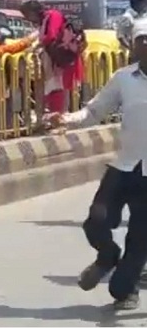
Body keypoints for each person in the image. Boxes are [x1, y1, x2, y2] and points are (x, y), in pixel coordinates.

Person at [45, 23, 147, 310]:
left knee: (139, 240)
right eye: (142, 39)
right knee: (96, 220)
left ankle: (124, 288)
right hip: (126, 165)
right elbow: (94, 111)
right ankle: (107, 256)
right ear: (133, 45)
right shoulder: (124, 79)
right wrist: (65, 120)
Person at [20, 0, 84, 115]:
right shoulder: (45, 19)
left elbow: (51, 36)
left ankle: (59, 118)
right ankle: (58, 117)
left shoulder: (52, 16)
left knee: (57, 87)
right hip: (55, 58)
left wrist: (37, 46)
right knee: (56, 87)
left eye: (27, 15)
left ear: (32, 12)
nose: (27, 18)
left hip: (59, 59)